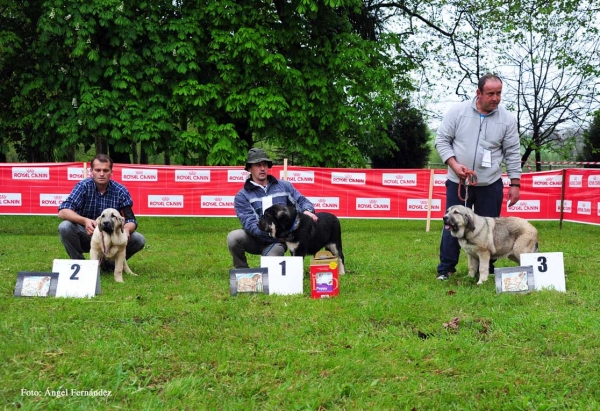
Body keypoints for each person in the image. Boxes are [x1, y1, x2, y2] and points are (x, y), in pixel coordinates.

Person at [434, 73, 522, 281]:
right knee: (451, 224)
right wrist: (454, 165)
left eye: (499, 93)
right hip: (458, 181)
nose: (496, 98)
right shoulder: (457, 112)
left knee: (490, 230)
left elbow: (512, 152)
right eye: (490, 93)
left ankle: (487, 268)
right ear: (478, 93)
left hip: (490, 183)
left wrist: (515, 183)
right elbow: (442, 141)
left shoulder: (507, 119)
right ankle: (445, 269)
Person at [227, 148, 317, 268]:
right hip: (254, 238)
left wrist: (307, 211)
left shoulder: (284, 186)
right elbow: (250, 223)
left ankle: (271, 265)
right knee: (233, 237)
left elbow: (302, 201)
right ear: (249, 168)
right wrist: (274, 234)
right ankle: (242, 271)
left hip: (277, 243)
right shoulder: (241, 196)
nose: (262, 168)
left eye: (265, 164)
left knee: (270, 271)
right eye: (258, 165)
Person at [58, 154, 145, 267]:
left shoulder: (121, 191)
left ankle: (109, 264)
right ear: (92, 171)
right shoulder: (82, 186)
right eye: (98, 170)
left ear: (111, 172)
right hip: (88, 233)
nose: (102, 174)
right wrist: (84, 221)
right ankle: (82, 265)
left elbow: (131, 219)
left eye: (105, 170)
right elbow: (63, 211)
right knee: (65, 226)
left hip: (113, 236)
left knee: (139, 239)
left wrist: (127, 229)